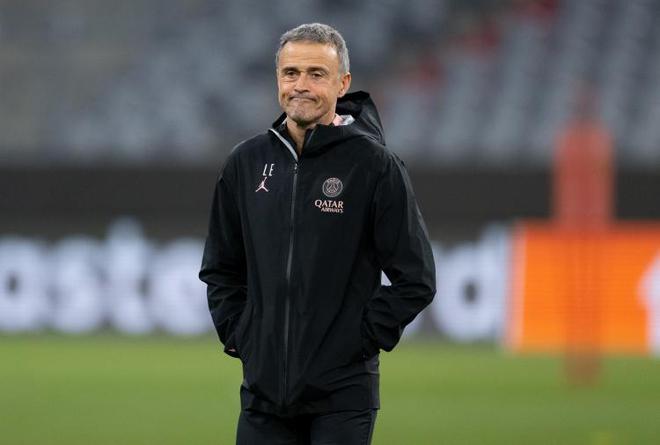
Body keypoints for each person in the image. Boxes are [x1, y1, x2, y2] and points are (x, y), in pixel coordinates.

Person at [199, 23, 436, 445]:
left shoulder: (375, 166)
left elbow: (416, 278)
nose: (301, 86)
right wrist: (243, 336)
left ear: (342, 83)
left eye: (316, 74)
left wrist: (358, 339)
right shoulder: (245, 163)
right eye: (291, 73)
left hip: (342, 398)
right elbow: (221, 267)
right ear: (278, 79)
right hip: (262, 397)